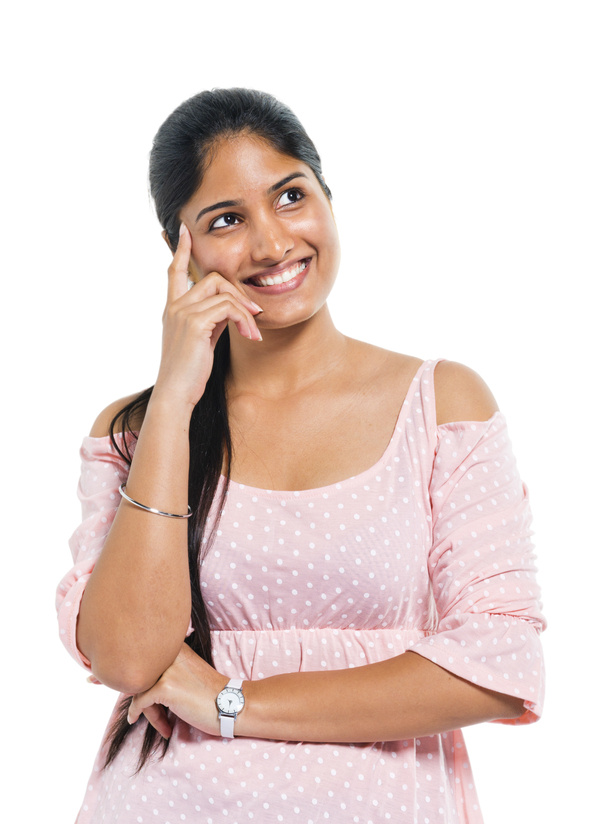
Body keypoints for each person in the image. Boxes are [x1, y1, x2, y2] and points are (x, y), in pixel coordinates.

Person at [56, 88, 545, 824]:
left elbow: (501, 666)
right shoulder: (136, 430)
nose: (273, 244)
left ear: (327, 195)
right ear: (177, 250)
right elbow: (125, 658)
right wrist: (172, 408)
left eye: (290, 196)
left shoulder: (441, 404)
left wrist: (228, 703)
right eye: (226, 220)